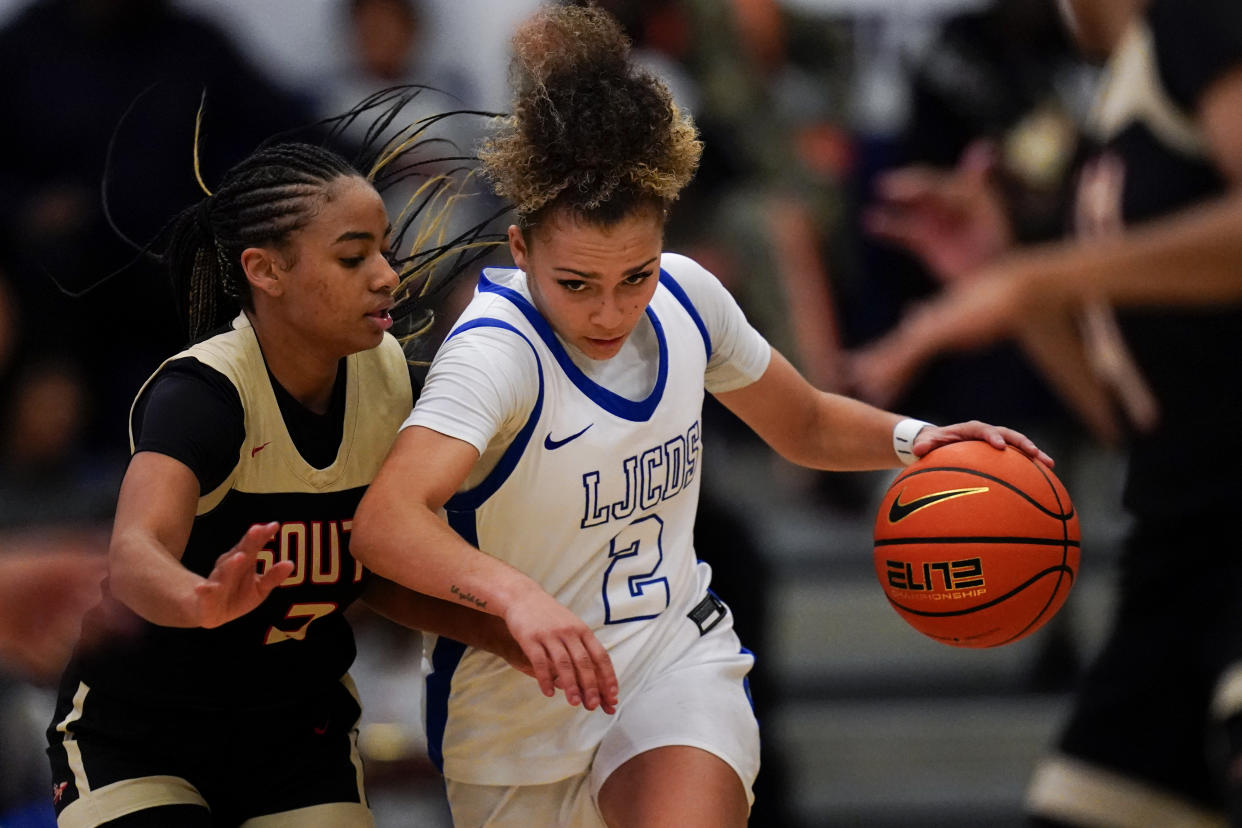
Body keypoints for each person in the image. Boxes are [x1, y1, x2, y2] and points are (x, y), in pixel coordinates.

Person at [350, 6, 1053, 826]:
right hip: (516, 709)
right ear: (520, 249)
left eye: (635, 275)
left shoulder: (690, 295)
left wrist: (917, 442)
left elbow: (808, 425)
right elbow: (386, 524)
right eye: (576, 283)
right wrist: (517, 599)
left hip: (670, 663)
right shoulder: (495, 355)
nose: (610, 311)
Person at [44, 137, 527, 827]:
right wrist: (200, 599)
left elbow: (375, 571)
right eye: (354, 257)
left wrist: (500, 629)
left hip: (294, 735)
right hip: (141, 736)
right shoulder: (205, 393)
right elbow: (132, 554)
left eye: (384, 251)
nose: (387, 276)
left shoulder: (387, 376)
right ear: (265, 271)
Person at [850, 0, 1242, 824]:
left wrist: (1041, 279)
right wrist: (1003, 271)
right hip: (1183, 552)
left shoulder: (1200, 22)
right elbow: (1124, 412)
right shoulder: (1109, 98)